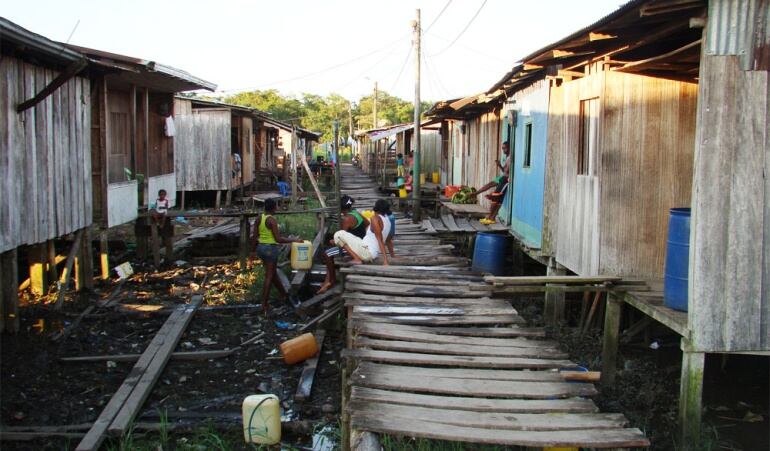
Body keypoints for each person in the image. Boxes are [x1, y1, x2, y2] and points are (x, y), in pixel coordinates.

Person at [250, 198, 302, 314]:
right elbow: (278, 239)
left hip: (261, 248)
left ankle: (284, 295)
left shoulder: (259, 218)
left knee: (272, 274)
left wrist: (252, 251)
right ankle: (264, 304)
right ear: (274, 208)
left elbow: (254, 236)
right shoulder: (272, 221)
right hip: (270, 249)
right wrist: (294, 240)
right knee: (269, 276)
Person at [317, 195, 369, 294]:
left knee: (327, 253)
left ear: (341, 208)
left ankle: (331, 279)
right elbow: (367, 224)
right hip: (360, 243)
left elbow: (340, 237)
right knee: (331, 250)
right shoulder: (357, 214)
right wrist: (363, 237)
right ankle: (328, 279)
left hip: (353, 247)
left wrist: (333, 241)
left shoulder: (346, 219)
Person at [329, 199, 391, 267]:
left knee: (338, 235)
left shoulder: (375, 219)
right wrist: (392, 255)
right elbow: (388, 240)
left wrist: (385, 261)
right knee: (341, 236)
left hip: (367, 252)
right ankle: (356, 258)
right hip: (367, 248)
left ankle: (357, 259)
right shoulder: (388, 220)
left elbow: (380, 240)